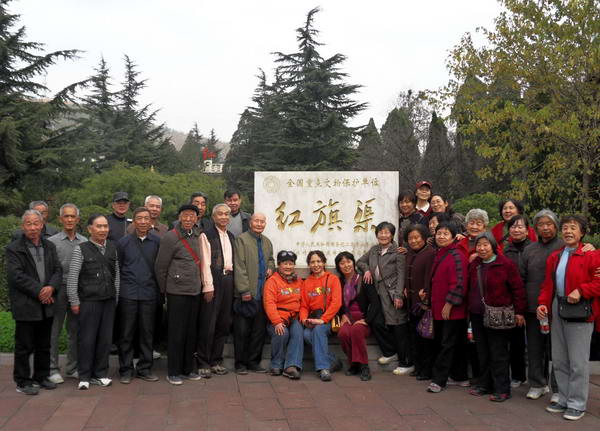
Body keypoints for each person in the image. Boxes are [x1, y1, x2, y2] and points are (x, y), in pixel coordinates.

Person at [537, 215, 600, 421]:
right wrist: (542, 304)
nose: (568, 231)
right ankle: (563, 398)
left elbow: (598, 283)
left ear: (582, 232)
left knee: (578, 362)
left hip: (580, 310)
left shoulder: (592, 255)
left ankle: (577, 403)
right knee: (559, 359)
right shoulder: (555, 257)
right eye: (565, 228)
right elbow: (548, 285)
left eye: (573, 228)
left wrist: (581, 291)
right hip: (558, 307)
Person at [6, 209, 62, 395]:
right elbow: (16, 276)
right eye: (28, 224)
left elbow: (58, 270)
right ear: (23, 226)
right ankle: (22, 381)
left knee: (44, 344)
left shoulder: (49, 246)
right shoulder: (14, 248)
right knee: (24, 346)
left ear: (42, 225)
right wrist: (40, 291)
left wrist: (51, 287)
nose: (32, 227)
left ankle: (41, 376)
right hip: (26, 305)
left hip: (47, 304)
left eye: (36, 223)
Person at [467, 232, 527, 402]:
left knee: (498, 352)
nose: (482, 248)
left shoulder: (505, 264)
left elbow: (517, 289)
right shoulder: (475, 264)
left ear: (493, 246)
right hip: (477, 314)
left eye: (486, 244)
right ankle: (485, 384)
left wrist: (519, 311)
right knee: (482, 351)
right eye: (479, 245)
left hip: (498, 314)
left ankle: (502, 388)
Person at [155, 204, 208, 385]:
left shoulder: (198, 235)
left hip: (194, 290)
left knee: (191, 332)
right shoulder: (171, 237)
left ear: (196, 218)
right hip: (176, 291)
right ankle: (174, 371)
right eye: (185, 215)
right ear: (179, 217)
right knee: (176, 332)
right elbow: (161, 267)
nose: (188, 219)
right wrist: (164, 291)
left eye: (192, 216)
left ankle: (188, 368)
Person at [67, 214, 120, 390]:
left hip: (108, 301)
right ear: (90, 229)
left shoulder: (112, 248)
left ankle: (100, 374)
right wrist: (74, 301)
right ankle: (84, 375)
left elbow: (116, 276)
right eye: (99, 226)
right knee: (87, 339)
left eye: (105, 226)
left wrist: (116, 297)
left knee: (105, 340)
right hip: (88, 301)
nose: (103, 230)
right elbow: (73, 277)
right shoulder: (81, 249)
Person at [358, 222, 411, 376]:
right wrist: (366, 270)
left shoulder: (398, 252)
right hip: (378, 295)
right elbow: (360, 261)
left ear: (392, 235)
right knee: (377, 322)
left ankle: (406, 363)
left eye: (387, 232)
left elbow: (401, 275)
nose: (383, 235)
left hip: (393, 295)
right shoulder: (374, 250)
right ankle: (390, 352)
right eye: (380, 232)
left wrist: (399, 295)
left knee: (398, 327)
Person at [116, 207, 161, 384]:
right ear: (133, 221)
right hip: (128, 293)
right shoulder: (123, 242)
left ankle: (145, 368)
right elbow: (118, 267)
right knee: (126, 334)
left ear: (151, 221)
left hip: (149, 293)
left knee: (147, 333)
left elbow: (159, 268)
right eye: (139, 218)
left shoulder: (157, 242)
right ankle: (126, 369)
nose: (143, 221)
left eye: (146, 218)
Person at [426, 222, 469, 393]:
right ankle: (460, 377)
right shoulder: (442, 253)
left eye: (445, 233)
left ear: (453, 236)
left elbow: (459, 282)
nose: (441, 236)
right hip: (440, 308)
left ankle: (439, 380)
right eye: (439, 233)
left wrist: (450, 303)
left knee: (446, 345)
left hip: (452, 310)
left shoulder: (457, 255)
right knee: (455, 343)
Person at [47, 204, 87, 384]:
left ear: (78, 220)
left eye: (73, 217)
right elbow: (49, 269)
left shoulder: (84, 242)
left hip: (77, 290)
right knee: (54, 331)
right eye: (66, 216)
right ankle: (52, 369)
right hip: (58, 289)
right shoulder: (52, 242)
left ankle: (72, 368)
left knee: (75, 330)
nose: (69, 219)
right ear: (60, 219)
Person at [232, 213, 275, 374]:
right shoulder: (241, 240)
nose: (259, 224)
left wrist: (271, 267)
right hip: (246, 293)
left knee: (259, 331)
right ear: (250, 223)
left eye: (262, 221)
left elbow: (271, 259)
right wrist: (244, 289)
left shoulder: (267, 241)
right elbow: (239, 265)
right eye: (256, 221)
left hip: (262, 293)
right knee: (242, 331)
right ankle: (240, 364)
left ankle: (253, 362)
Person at [197, 204, 235, 377]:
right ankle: (203, 361)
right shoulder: (206, 235)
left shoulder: (231, 236)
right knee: (208, 323)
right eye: (220, 214)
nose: (224, 217)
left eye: (227, 214)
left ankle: (216, 360)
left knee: (223, 323)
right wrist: (208, 285)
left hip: (228, 280)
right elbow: (205, 263)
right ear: (213, 217)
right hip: (213, 281)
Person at [300, 250, 342, 382]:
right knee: (306, 334)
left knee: (318, 330)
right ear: (309, 265)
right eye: (312, 262)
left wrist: (323, 320)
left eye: (318, 261)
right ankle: (333, 360)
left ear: (324, 263)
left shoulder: (333, 279)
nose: (316, 264)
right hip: (313, 318)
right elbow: (304, 306)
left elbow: (336, 303)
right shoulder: (306, 282)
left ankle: (323, 368)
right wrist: (304, 319)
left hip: (329, 319)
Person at [263, 250, 304, 379]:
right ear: (279, 265)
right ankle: (276, 365)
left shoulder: (298, 281)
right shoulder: (272, 281)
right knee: (282, 332)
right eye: (284, 263)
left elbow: (303, 301)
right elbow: (269, 303)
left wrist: (302, 317)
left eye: (291, 264)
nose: (288, 267)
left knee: (298, 331)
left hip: (294, 317)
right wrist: (277, 321)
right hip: (278, 318)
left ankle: (291, 366)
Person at [404, 224, 436, 381]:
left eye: (417, 237)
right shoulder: (409, 253)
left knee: (426, 338)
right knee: (415, 336)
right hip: (412, 303)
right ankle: (418, 367)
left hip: (424, 303)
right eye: (410, 238)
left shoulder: (430, 253)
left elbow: (430, 276)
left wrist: (427, 294)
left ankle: (427, 370)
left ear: (424, 237)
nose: (414, 241)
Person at [502, 215, 531, 388]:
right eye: (513, 227)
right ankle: (518, 375)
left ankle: (539, 379)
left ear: (527, 230)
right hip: (513, 301)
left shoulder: (533, 248)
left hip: (533, 300)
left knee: (537, 343)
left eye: (520, 227)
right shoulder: (507, 250)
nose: (516, 229)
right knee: (516, 340)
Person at [336, 251, 374, 381]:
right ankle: (354, 363)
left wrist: (367, 320)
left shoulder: (364, 279)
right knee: (343, 333)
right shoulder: (339, 282)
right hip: (348, 318)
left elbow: (375, 303)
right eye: (342, 263)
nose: (346, 265)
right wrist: (342, 315)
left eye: (348, 262)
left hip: (363, 319)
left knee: (356, 330)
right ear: (338, 266)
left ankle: (364, 366)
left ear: (353, 263)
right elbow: (336, 302)